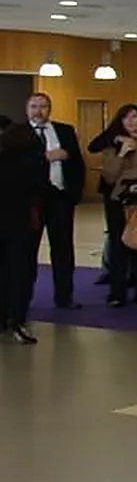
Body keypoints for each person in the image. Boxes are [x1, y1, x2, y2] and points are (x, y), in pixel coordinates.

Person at [25, 93, 85, 310]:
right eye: (34, 106)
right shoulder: (18, 133)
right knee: (27, 250)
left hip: (60, 197)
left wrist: (74, 194)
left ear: (49, 109)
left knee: (63, 249)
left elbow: (78, 163)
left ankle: (64, 296)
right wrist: (45, 157)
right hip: (31, 201)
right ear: (27, 109)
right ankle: (23, 298)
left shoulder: (65, 131)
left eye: (43, 106)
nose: (38, 111)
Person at [100, 104, 137, 307]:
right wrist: (121, 154)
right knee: (118, 245)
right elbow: (109, 177)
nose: (131, 121)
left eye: (135, 117)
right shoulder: (113, 145)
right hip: (119, 199)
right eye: (126, 118)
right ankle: (117, 292)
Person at [0, 122, 46, 342]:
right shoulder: (31, 167)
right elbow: (40, 191)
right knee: (19, 272)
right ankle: (17, 319)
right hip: (20, 225)